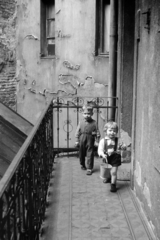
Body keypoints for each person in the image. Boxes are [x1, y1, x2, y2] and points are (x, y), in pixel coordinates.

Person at [98, 121, 126, 192]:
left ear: (116, 132)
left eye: (114, 131)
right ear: (105, 131)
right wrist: (102, 154)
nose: (112, 132)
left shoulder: (118, 140)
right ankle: (108, 178)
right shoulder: (103, 141)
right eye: (110, 130)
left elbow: (124, 146)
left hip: (115, 157)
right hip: (106, 157)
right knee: (107, 169)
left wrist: (123, 147)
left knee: (113, 172)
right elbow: (100, 150)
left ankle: (113, 184)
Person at [75, 104, 100, 175]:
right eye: (85, 113)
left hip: (90, 139)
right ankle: (82, 164)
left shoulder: (94, 123)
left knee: (90, 153)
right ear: (82, 114)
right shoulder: (81, 122)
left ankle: (89, 168)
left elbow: (97, 132)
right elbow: (77, 131)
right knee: (81, 152)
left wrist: (97, 141)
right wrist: (77, 140)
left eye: (88, 113)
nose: (87, 115)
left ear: (92, 114)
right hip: (82, 138)